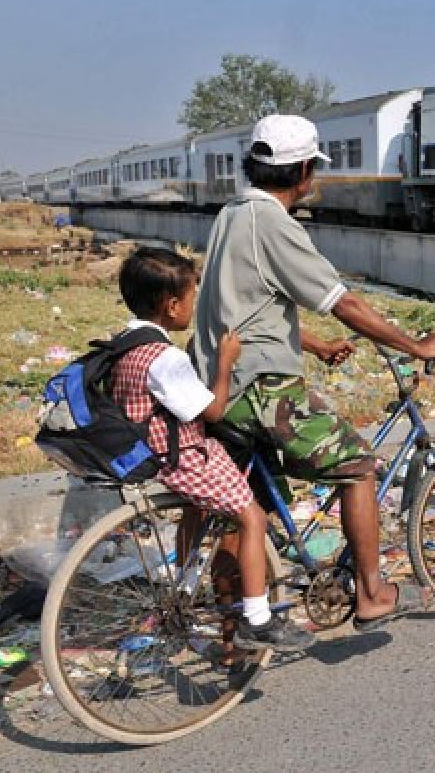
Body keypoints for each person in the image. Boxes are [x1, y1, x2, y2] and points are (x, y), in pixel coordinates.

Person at [192, 114, 435, 632]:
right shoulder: (274, 224)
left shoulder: (231, 215)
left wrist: (310, 344)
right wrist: (415, 344)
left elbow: (244, 309)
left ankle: (232, 633)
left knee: (247, 512)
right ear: (304, 170)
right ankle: (373, 594)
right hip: (263, 394)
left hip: (218, 390)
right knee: (360, 467)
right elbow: (344, 303)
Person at [113, 247, 314, 652]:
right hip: (183, 456)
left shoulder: (126, 342)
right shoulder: (165, 358)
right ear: (172, 306)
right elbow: (215, 409)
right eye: (191, 297)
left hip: (150, 454)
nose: (194, 305)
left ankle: (186, 585)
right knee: (252, 519)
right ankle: (257, 618)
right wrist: (225, 362)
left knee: (195, 510)